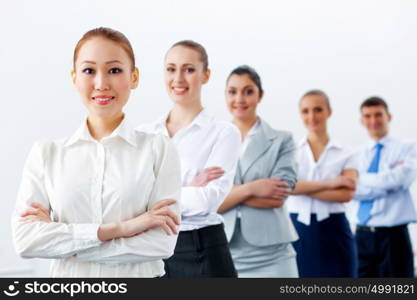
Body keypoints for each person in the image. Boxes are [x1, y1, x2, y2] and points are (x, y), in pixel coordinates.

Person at [11, 27, 182, 277]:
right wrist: (122, 228)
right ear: (74, 78)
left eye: (114, 70)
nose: (101, 84)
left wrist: (66, 243)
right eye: (89, 71)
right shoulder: (46, 153)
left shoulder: (159, 149)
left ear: (134, 77)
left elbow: (160, 244)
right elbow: (26, 240)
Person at [137, 40, 241, 277]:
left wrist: (155, 199)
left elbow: (207, 200)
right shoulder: (144, 135)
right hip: (150, 251)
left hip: (200, 248)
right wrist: (187, 188)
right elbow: (128, 200)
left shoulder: (223, 134)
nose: (178, 78)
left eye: (189, 69)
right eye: (171, 69)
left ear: (206, 75)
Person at [218, 65, 299, 277]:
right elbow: (208, 202)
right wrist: (254, 188)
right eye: (232, 91)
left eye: (248, 91)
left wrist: (229, 192)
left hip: (274, 255)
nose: (240, 99)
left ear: (260, 95)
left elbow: (277, 197)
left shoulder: (282, 140)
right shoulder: (212, 142)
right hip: (224, 252)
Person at [286, 89, 358, 277]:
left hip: (335, 231)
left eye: (318, 109)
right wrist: (332, 183)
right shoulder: (290, 151)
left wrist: (301, 187)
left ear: (329, 112)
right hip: (297, 230)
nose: (312, 116)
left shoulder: (346, 153)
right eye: (305, 111)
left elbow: (346, 194)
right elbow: (286, 186)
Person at [353, 96, 417, 277]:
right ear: (362, 120)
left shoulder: (408, 148)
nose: (373, 121)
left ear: (389, 116)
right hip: (362, 236)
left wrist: (361, 178)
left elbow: (400, 180)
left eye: (378, 115)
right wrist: (386, 181)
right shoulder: (355, 154)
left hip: (393, 237)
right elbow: (351, 190)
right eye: (368, 116)